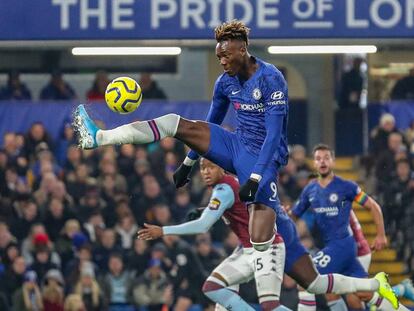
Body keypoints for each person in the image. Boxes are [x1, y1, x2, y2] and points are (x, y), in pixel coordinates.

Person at [74, 20, 288, 259]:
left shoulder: (270, 78)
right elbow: (210, 123)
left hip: (262, 155)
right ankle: (100, 137)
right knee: (174, 123)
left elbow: (273, 133)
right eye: (219, 58)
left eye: (226, 55)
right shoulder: (225, 82)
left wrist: (255, 178)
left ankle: (275, 215)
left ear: (242, 49)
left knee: (259, 242)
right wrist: (188, 163)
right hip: (235, 144)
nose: (223, 62)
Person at [138, 158, 286, 311]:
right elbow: (236, 206)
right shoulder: (231, 183)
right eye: (202, 168)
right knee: (213, 288)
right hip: (248, 249)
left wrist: (163, 231)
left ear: (222, 169)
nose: (206, 172)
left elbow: (203, 226)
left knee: (270, 306)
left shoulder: (224, 189)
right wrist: (203, 210)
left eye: (211, 167)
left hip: (267, 248)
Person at [289, 144, 404, 311]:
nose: (323, 162)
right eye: (318, 159)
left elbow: (373, 206)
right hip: (336, 249)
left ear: (333, 161)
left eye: (327, 158)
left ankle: (389, 288)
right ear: (314, 163)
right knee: (359, 294)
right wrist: (284, 216)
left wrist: (381, 235)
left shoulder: (346, 187)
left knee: (306, 279)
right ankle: (397, 299)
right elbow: (294, 215)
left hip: (351, 246)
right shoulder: (310, 191)